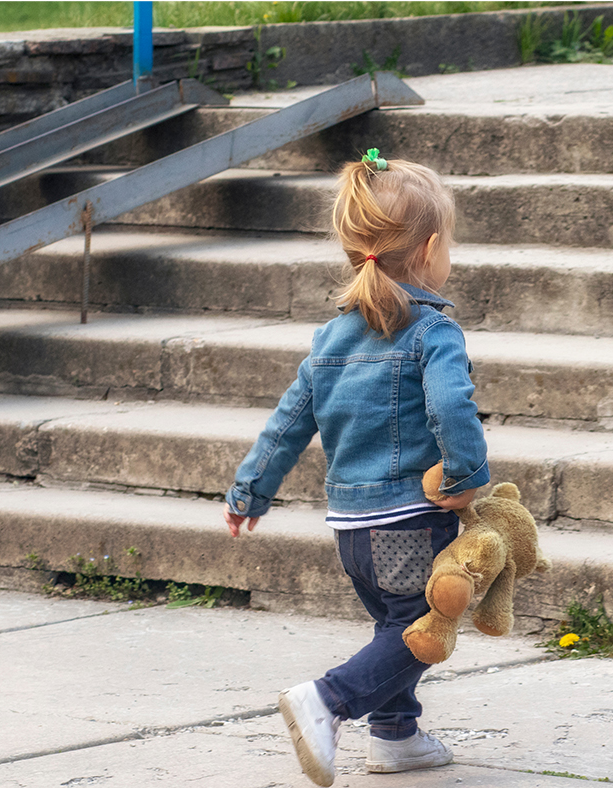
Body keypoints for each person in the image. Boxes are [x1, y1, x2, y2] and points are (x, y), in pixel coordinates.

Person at [221, 150, 487, 787]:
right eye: (448, 243)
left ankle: (397, 736)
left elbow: (289, 421)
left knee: (392, 623)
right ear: (427, 251)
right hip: (408, 521)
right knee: (422, 625)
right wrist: (466, 475)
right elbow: (452, 405)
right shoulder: (431, 332)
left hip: (350, 527)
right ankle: (328, 701)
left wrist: (249, 490)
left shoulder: (331, 337)